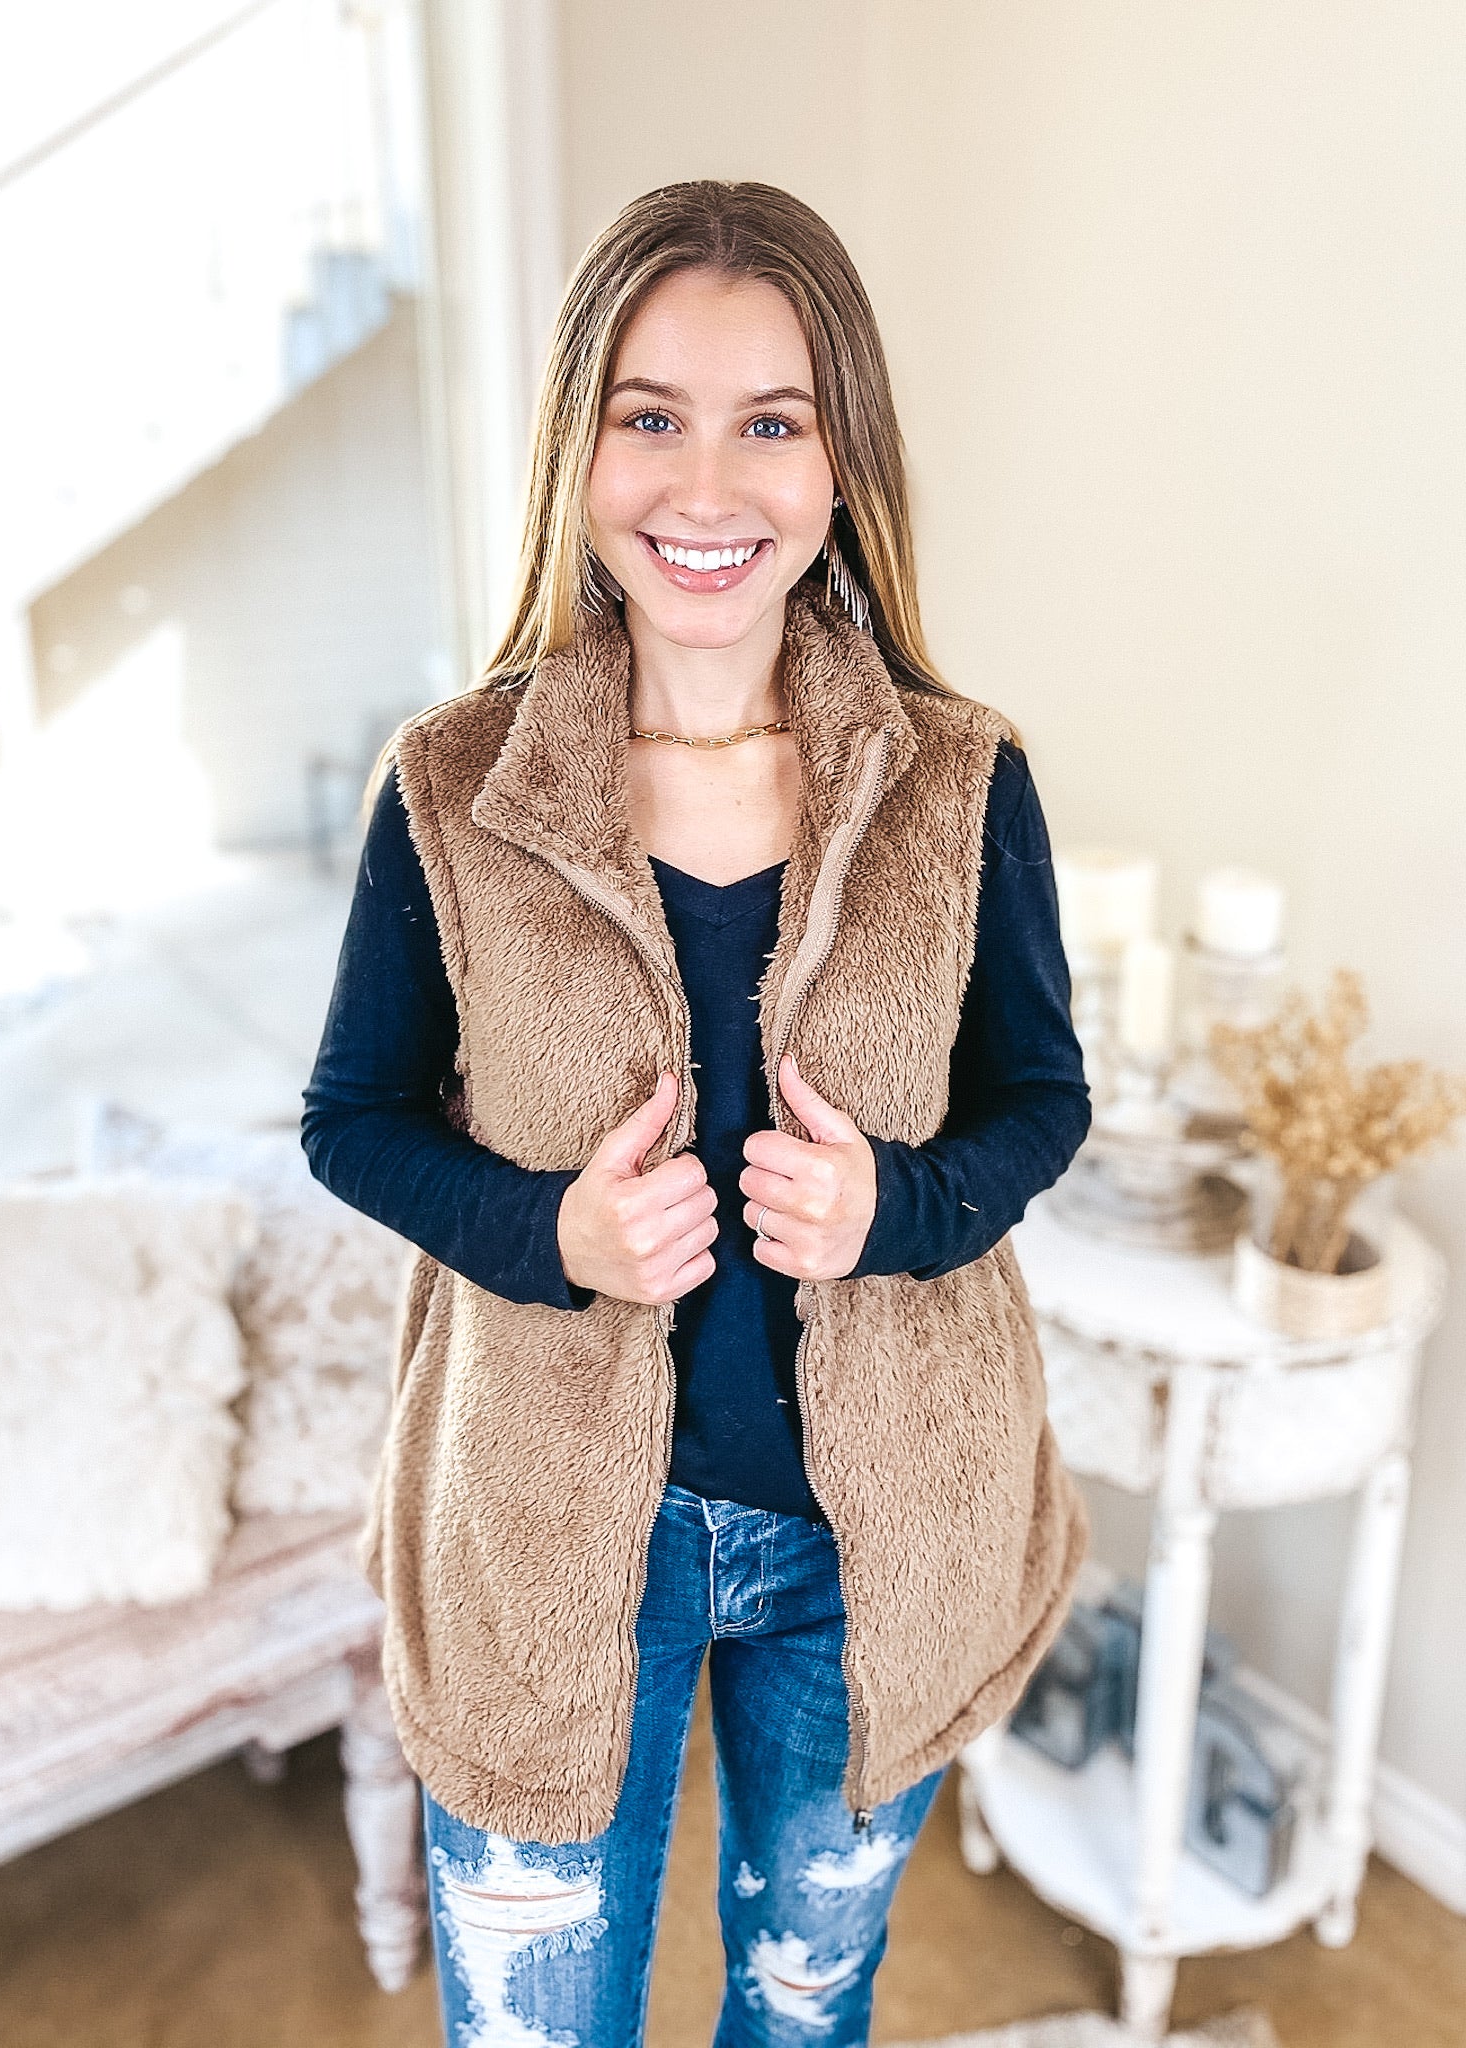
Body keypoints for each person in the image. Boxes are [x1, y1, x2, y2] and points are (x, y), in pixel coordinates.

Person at [303, 180, 1090, 2047]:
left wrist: (893, 1211)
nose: (707, 484)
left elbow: (1042, 1100)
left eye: (773, 423)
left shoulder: (964, 783)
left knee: (805, 2008)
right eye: (650, 415)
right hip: (549, 1533)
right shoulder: (453, 787)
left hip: (870, 1541)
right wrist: (550, 1232)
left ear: (841, 464)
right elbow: (352, 1117)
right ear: (578, 450)